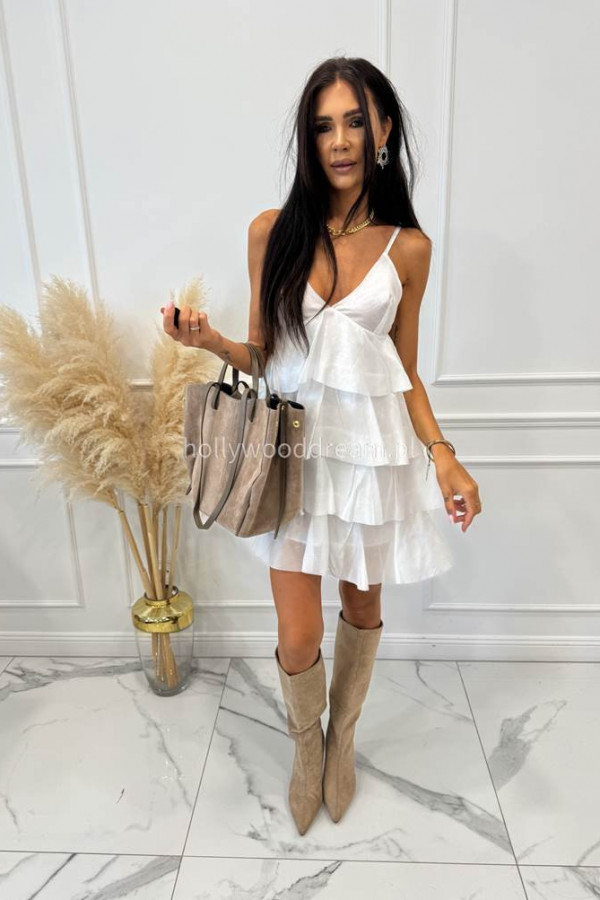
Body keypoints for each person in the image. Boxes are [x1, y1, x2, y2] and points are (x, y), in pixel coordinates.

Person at [161, 56, 482, 836]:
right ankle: (308, 745)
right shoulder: (271, 232)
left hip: (369, 457)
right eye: (322, 125)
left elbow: (405, 370)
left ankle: (343, 742)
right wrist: (208, 342)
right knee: (299, 633)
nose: (339, 140)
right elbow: (264, 356)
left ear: (383, 130)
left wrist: (442, 455)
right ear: (308, 140)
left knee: (362, 605)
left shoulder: (409, 248)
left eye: (354, 122)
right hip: (291, 460)